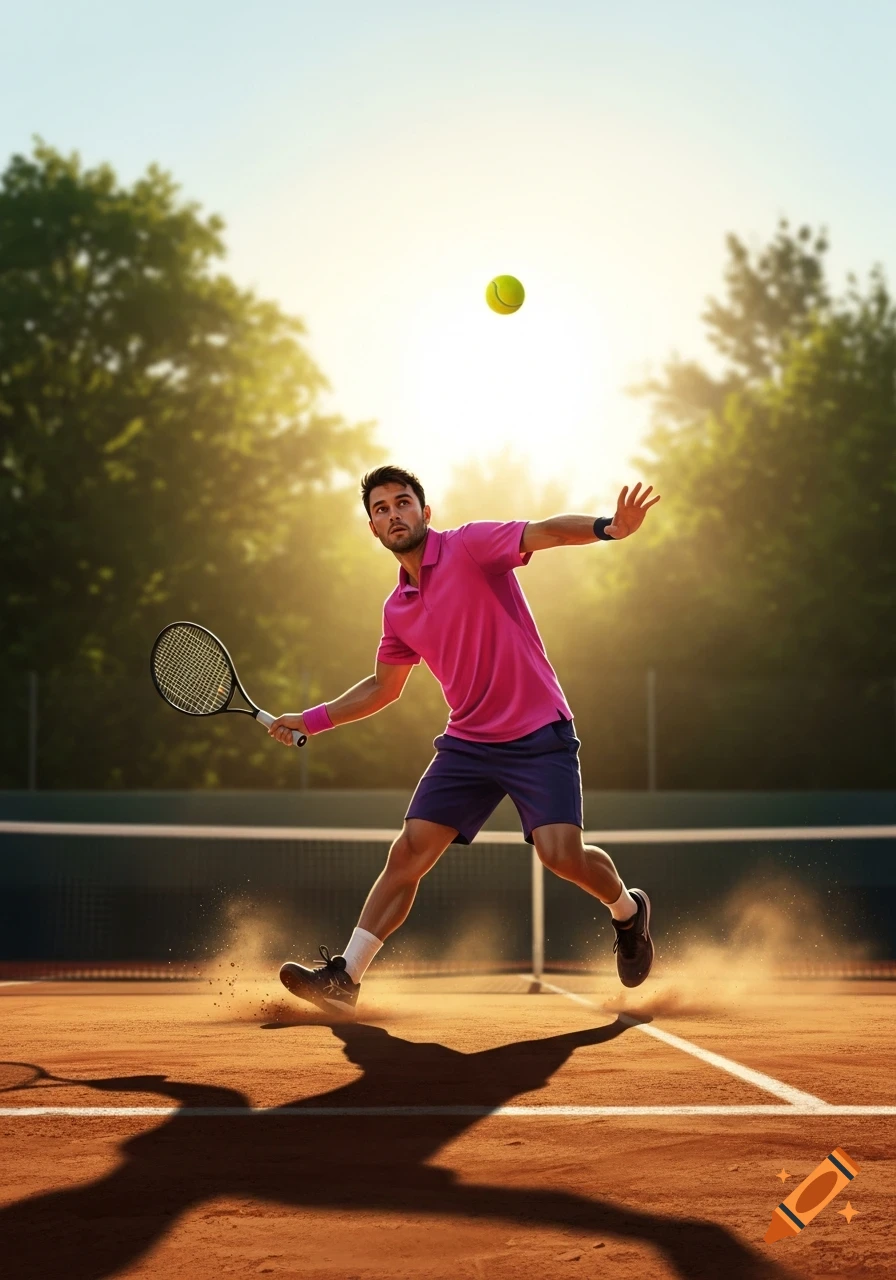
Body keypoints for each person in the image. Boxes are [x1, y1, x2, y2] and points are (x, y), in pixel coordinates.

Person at [269, 465, 660, 1013]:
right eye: (380, 510)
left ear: (425, 513)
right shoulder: (397, 609)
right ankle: (346, 978)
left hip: (538, 731)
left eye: (402, 502)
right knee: (408, 852)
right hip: (469, 743)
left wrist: (608, 528)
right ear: (374, 530)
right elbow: (384, 688)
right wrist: (308, 720)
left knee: (560, 855)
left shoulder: (471, 546)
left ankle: (628, 911)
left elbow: (544, 532)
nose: (392, 514)